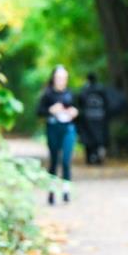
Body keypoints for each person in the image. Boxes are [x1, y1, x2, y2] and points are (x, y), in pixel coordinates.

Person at [37, 65, 79, 205]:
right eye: (59, 78)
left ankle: (66, 191)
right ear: (54, 78)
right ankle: (52, 191)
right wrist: (51, 110)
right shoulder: (47, 94)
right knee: (54, 160)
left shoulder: (70, 94)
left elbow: (79, 111)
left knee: (66, 160)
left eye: (64, 78)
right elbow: (39, 111)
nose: (62, 81)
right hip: (53, 128)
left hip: (68, 128)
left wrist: (74, 112)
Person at [78, 72, 109, 165]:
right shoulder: (101, 89)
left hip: (88, 119)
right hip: (100, 118)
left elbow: (80, 102)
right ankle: (98, 158)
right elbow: (107, 102)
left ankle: (90, 158)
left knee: (88, 139)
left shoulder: (85, 89)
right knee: (99, 139)